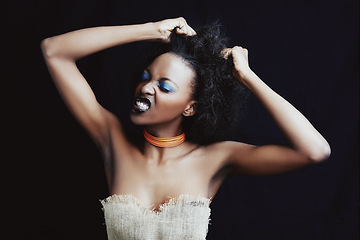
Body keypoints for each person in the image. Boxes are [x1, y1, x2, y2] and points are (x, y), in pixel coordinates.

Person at [41, 17, 331, 240]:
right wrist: (151, 30)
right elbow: (54, 50)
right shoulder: (112, 139)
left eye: (165, 86)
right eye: (146, 77)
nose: (147, 87)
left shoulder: (217, 158)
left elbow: (314, 150)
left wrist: (246, 75)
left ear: (190, 107)